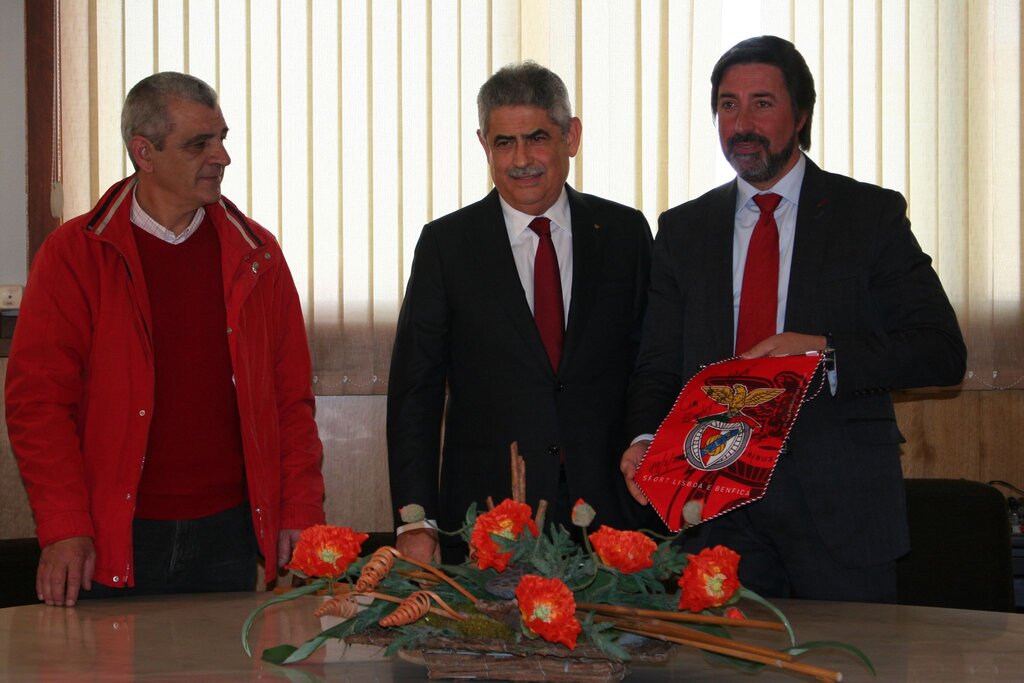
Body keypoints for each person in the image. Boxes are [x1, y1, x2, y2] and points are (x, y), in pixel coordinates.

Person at [620, 36, 966, 602]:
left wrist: (822, 355)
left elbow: (940, 351)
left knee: (847, 652)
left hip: (838, 502)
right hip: (714, 505)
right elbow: (658, 361)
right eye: (728, 105)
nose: (741, 124)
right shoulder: (684, 229)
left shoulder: (867, 216)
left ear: (801, 115)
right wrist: (644, 437)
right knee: (727, 654)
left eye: (762, 103)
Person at [5, 72, 326, 607]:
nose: (222, 156)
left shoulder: (257, 254)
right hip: (111, 534)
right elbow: (38, 405)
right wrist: (64, 525)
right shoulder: (75, 254)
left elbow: (290, 399)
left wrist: (299, 510)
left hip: (228, 533)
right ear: (144, 153)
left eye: (222, 138)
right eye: (199, 144)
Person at [388, 61, 653, 563]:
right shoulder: (448, 244)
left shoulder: (624, 234)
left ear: (571, 136)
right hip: (489, 518)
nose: (522, 159)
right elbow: (414, 393)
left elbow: (651, 364)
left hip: (613, 515)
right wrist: (415, 520)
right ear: (484, 145)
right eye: (504, 143)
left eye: (537, 138)